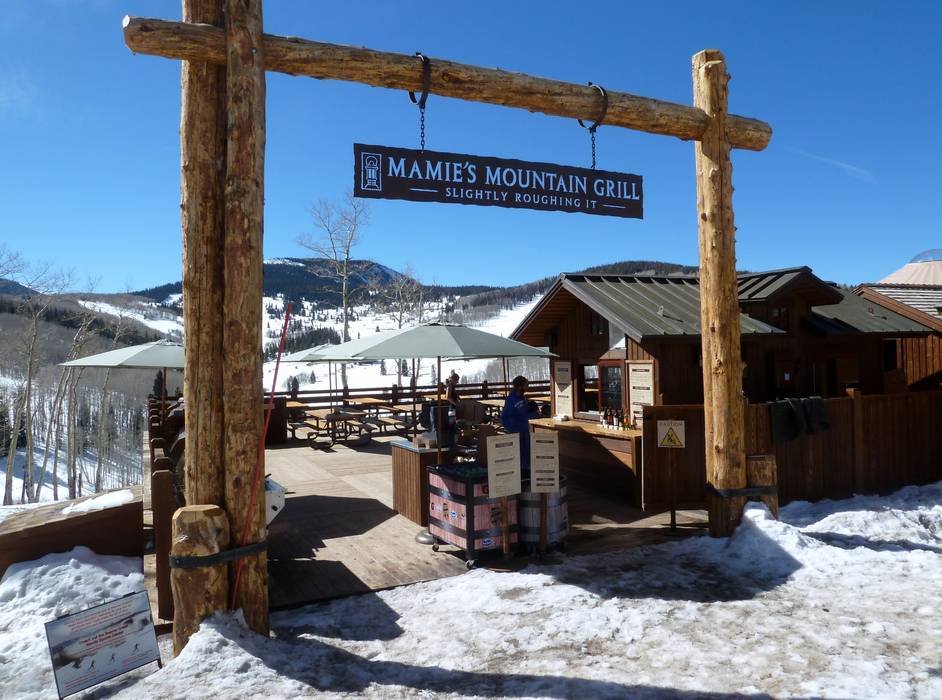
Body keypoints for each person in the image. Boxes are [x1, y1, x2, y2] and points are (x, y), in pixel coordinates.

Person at [501, 375, 533, 474]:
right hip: (516, 433)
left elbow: (524, 414)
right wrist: (513, 429)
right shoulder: (511, 399)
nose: (527, 387)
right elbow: (505, 417)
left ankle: (526, 472)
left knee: (526, 455)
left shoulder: (523, 398)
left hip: (525, 431)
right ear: (520, 386)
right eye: (526, 385)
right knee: (517, 457)